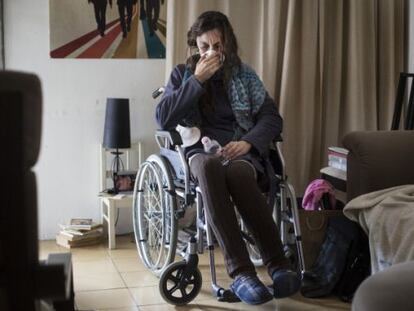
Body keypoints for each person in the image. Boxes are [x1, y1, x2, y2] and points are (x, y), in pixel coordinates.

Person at [156, 11, 301, 305]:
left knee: (236, 173)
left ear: (227, 45)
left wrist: (247, 143)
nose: (210, 52)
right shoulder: (182, 75)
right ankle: (243, 273)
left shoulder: (244, 75)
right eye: (204, 46)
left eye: (217, 46)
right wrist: (196, 81)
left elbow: (272, 118)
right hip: (199, 151)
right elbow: (162, 118)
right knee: (209, 166)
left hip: (239, 151)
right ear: (196, 46)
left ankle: (278, 265)